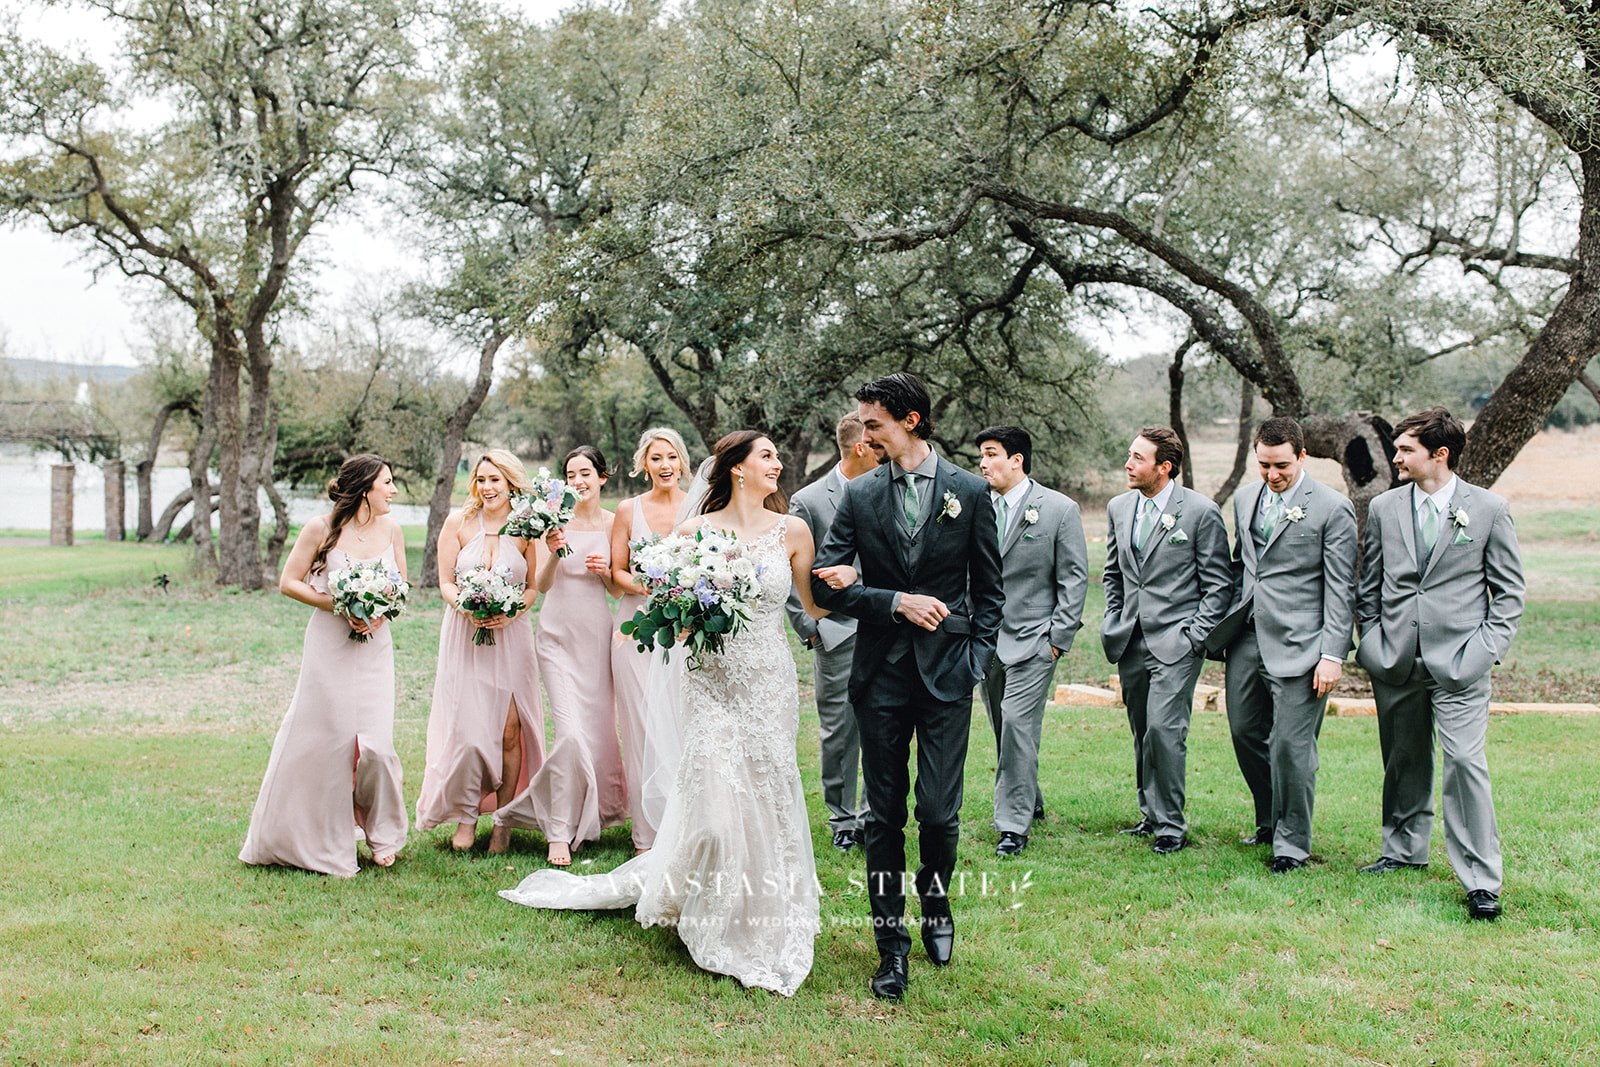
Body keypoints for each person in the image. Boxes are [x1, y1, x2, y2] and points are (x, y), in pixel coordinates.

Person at [500, 431, 831, 997]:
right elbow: (661, 590)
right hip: (711, 680)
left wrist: (847, 582)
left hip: (768, 684)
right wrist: (683, 616)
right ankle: (714, 910)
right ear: (736, 470)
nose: (779, 464)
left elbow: (816, 605)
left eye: (777, 456)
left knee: (767, 789)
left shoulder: (793, 531)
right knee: (718, 800)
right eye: (768, 456)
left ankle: (764, 903)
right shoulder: (696, 532)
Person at [811, 372, 1005, 1002]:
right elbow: (823, 587)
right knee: (884, 817)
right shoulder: (860, 495)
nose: (864, 437)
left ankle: (938, 905)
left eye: (874, 425)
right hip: (881, 678)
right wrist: (896, 600)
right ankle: (890, 948)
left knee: (940, 816)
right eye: (864, 426)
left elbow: (990, 592)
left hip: (949, 675)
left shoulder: (970, 492)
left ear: (910, 422)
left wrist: (975, 660)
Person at [1354, 407, 1524, 920]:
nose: (1397, 457)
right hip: (1397, 660)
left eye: (1406, 449)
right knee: (1403, 760)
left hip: (1462, 663)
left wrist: (1483, 651)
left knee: (1466, 764)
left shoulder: (1489, 509)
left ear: (1440, 454)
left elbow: (1509, 594)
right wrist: (1374, 642)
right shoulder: (1384, 508)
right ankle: (1403, 851)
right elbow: (1370, 586)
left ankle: (1480, 880)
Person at [239, 453, 409, 877]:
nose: (393, 490)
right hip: (329, 646)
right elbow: (288, 582)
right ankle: (315, 837)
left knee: (377, 748)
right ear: (366, 487)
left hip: (375, 647)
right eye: (387, 482)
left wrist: (377, 613)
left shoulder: (393, 530)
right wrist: (338, 604)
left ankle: (381, 832)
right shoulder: (322, 527)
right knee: (325, 744)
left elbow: (400, 590)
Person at [1206, 418, 1356, 874]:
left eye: (1282, 466)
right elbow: (1242, 564)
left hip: (1303, 645)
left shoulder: (1333, 508)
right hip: (1248, 636)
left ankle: (1292, 843)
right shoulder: (1247, 498)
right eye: (1264, 465)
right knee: (1244, 733)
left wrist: (1333, 654)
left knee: (1292, 747)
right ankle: (1270, 819)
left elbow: (1341, 587)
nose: (1272, 475)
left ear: (1303, 457)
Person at [1100, 426, 1232, 857]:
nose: (1128, 464)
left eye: (1138, 458)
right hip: (1130, 639)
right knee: (1142, 730)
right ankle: (1149, 813)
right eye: (1129, 455)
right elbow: (1114, 574)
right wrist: (1114, 617)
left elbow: (1218, 585)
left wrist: (1195, 637)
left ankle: (1171, 825)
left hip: (1177, 642)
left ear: (1164, 467)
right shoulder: (1119, 507)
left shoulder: (1199, 511)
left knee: (1165, 729)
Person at [496, 446, 627, 866]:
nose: (578, 481)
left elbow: (618, 591)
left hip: (597, 638)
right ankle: (556, 831)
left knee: (597, 736)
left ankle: (583, 822)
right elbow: (543, 585)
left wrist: (606, 571)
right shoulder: (552, 521)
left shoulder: (613, 523)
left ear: (602, 477)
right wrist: (554, 549)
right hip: (555, 637)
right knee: (569, 734)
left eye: (586, 473)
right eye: (571, 474)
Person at [414, 450, 544, 855]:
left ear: (510, 483)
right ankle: (466, 816)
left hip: (511, 636)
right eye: (482, 479)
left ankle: (503, 822)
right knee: (470, 731)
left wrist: (510, 612)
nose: (487, 488)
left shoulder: (527, 527)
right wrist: (467, 605)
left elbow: (532, 588)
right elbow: (445, 582)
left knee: (509, 731)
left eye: (495, 480)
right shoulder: (458, 522)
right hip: (464, 635)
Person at [973, 425, 1087, 857]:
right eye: (981, 456)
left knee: (1018, 724)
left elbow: (1074, 579)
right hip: (986, 638)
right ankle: (1030, 797)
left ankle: (1011, 824)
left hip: (1037, 639)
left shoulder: (1059, 509)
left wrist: (1057, 638)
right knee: (1003, 727)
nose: (983, 464)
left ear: (1016, 460)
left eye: (990, 454)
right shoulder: (971, 505)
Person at [784, 412, 875, 852]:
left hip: (890, 626)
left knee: (886, 725)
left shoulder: (895, 488)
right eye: (875, 440)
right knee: (839, 730)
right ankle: (843, 819)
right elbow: (790, 574)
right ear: (860, 446)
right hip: (837, 633)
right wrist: (814, 629)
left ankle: (875, 813)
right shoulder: (810, 500)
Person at [608, 428, 693, 854]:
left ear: (682, 462)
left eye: (671, 457)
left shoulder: (698, 508)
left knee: (680, 722)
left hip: (681, 631)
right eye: (656, 458)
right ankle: (645, 835)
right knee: (641, 728)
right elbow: (615, 572)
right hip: (635, 627)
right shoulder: (628, 509)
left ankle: (682, 827)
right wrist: (644, 586)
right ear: (644, 465)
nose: (664, 465)